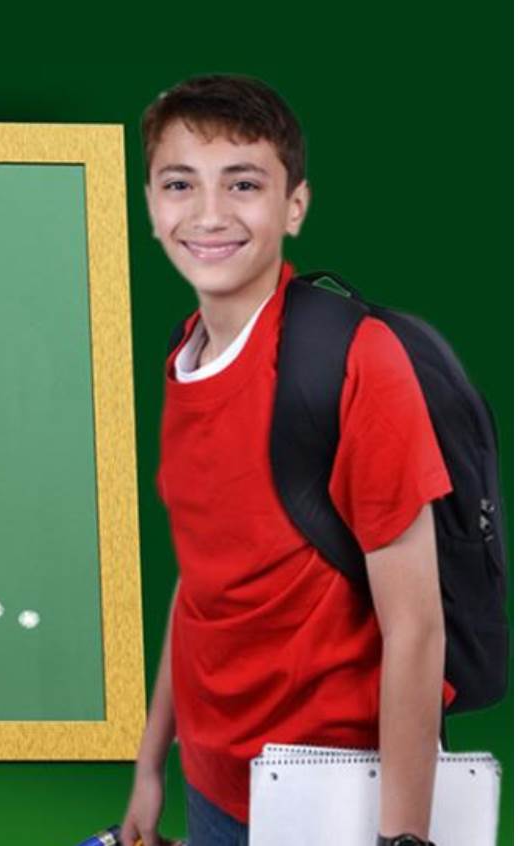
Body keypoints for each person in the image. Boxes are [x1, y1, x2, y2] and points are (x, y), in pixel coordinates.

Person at [120, 74, 452, 846]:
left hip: (333, 794)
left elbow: (417, 627)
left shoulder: (355, 362)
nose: (208, 214)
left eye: (243, 183)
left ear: (293, 206)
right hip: (213, 782)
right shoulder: (183, 352)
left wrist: (402, 838)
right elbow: (201, 577)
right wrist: (150, 768)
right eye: (179, 184)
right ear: (150, 205)